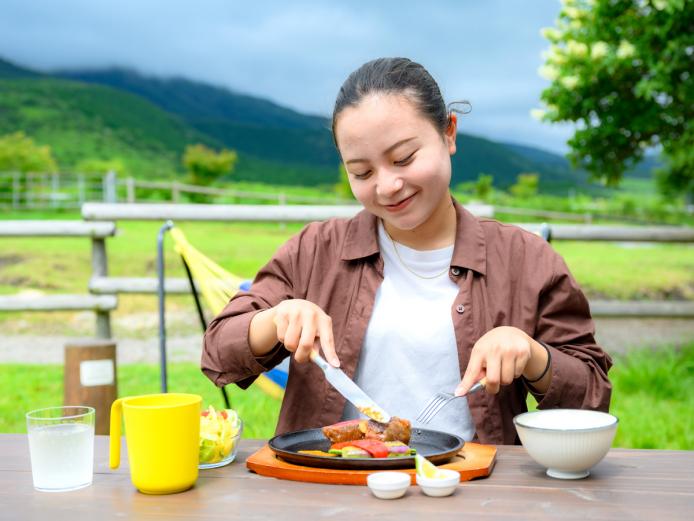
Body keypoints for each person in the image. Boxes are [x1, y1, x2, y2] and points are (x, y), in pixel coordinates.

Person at [202, 57, 612, 445]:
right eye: (361, 172)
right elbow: (218, 351)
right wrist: (276, 319)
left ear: (448, 132)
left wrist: (531, 355)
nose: (386, 186)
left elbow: (592, 395)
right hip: (332, 487)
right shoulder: (316, 250)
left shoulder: (526, 260)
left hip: (470, 489)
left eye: (404, 158)